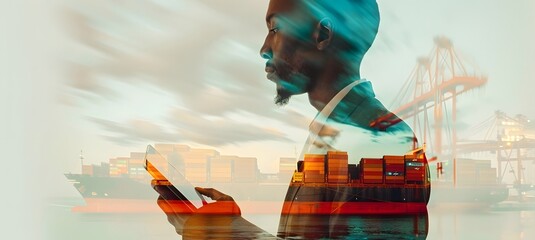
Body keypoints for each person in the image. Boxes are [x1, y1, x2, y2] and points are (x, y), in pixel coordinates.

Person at [153, 0, 429, 239]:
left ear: (322, 35)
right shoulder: (340, 132)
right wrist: (231, 227)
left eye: (274, 29)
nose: (264, 48)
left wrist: (228, 232)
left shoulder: (381, 143)